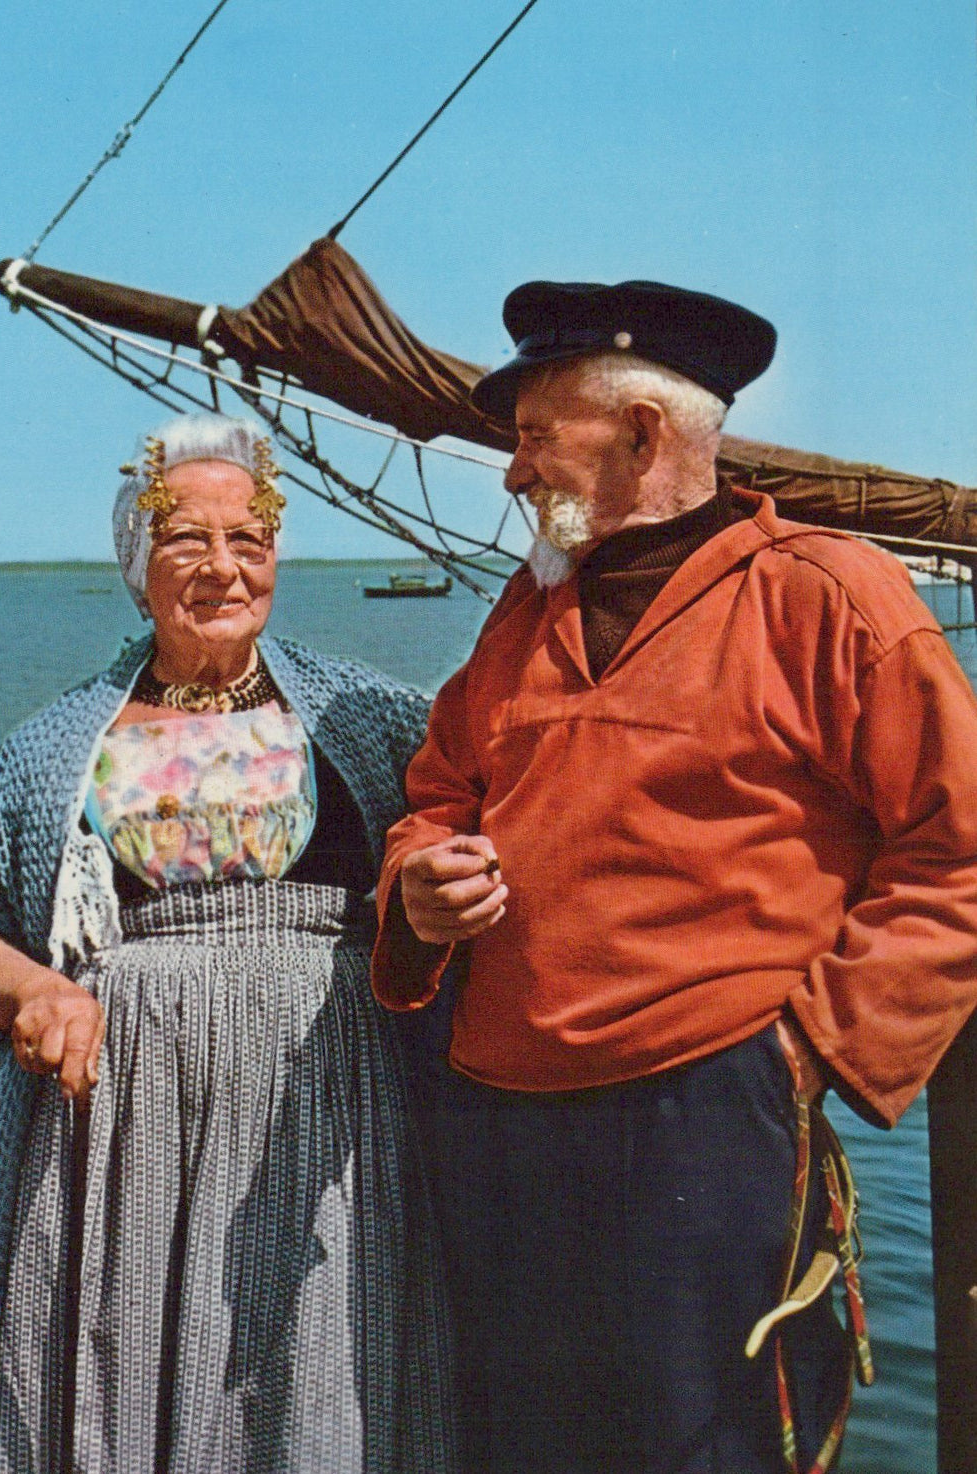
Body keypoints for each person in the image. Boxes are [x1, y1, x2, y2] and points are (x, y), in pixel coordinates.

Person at [371, 280, 977, 1474]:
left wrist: (809, 1051)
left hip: (708, 1120)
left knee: (708, 1450)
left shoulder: (826, 593)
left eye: (535, 434)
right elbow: (436, 794)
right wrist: (418, 885)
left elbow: (954, 846)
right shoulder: (523, 610)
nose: (511, 471)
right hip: (501, 1121)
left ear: (643, 433)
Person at [0, 412, 455, 1473]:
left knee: (317, 1379)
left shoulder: (367, 716)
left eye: (248, 541)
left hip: (324, 1117)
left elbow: (484, 790)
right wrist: (38, 993)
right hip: (129, 1131)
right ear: (138, 561)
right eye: (186, 540)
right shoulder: (58, 744)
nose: (222, 568)